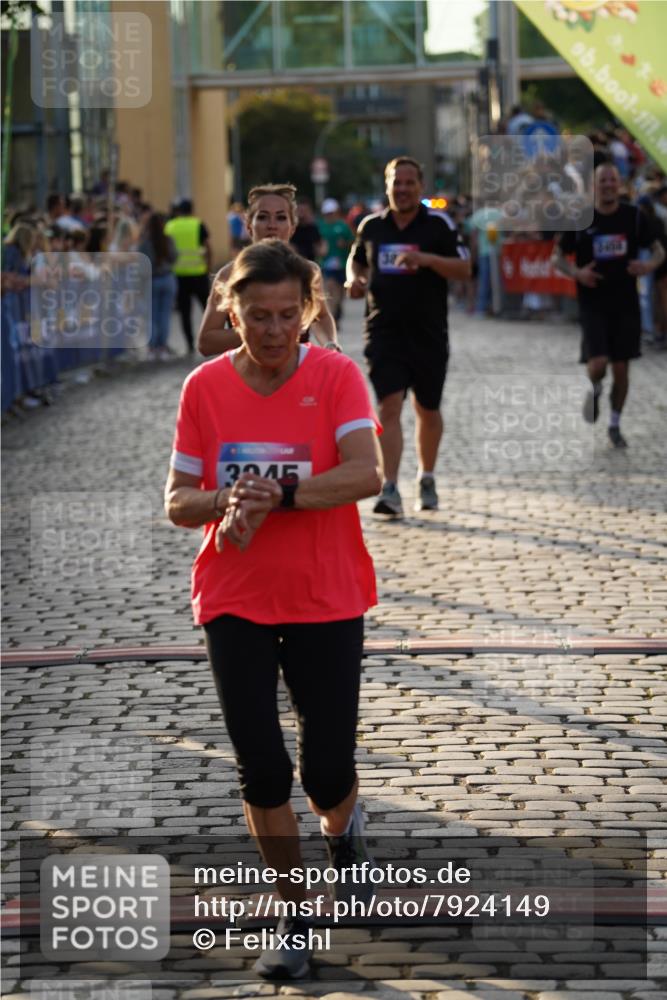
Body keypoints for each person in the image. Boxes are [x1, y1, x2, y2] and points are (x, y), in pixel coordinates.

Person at [165, 239, 381, 980]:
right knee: (262, 767)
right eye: (258, 315)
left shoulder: (337, 375)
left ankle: (343, 827)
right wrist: (225, 498)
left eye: (289, 315)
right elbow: (175, 502)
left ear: (308, 311)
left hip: (326, 593)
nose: (274, 329)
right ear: (232, 312)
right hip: (234, 595)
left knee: (325, 769)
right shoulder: (203, 388)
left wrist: (280, 495)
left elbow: (364, 471)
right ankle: (294, 918)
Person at [346, 155, 471, 516]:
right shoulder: (371, 226)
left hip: (428, 332)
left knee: (427, 409)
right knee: (388, 407)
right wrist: (354, 280)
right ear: (386, 187)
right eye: (395, 183)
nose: (402, 189)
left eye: (409, 183)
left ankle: (426, 476)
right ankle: (390, 488)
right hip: (383, 331)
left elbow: (464, 268)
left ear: (421, 187)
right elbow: (357, 261)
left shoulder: (438, 225)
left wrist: (427, 260)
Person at [553, 162, 665, 448]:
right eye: (602, 180)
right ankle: (595, 387)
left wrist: (648, 265)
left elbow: (659, 250)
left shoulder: (634, 217)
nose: (608, 185)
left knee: (622, 369)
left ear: (619, 184)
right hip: (593, 302)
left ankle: (615, 424)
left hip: (626, 302)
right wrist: (577, 273)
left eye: (612, 180)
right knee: (599, 363)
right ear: (594, 185)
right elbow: (557, 258)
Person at [197, 184, 339, 356]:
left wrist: (330, 344)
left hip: (296, 374)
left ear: (292, 227)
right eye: (263, 217)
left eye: (280, 218)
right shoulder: (229, 275)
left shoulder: (308, 271)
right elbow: (206, 342)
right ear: (249, 226)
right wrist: (256, 331)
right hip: (247, 374)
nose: (272, 225)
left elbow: (321, 317)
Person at [165, 198, 212, 353]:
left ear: (178, 210)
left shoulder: (170, 226)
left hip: (178, 275)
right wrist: (208, 267)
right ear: (192, 209)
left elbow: (166, 250)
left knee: (185, 312)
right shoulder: (198, 224)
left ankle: (190, 344)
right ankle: (213, 339)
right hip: (198, 273)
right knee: (209, 308)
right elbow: (207, 247)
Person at [138, 212, 178, 359]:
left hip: (151, 280)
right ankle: (162, 346)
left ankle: (152, 347)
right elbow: (175, 257)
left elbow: (141, 263)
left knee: (152, 316)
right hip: (167, 278)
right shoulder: (168, 240)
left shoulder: (145, 243)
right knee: (165, 315)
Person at [318, 198, 353, 323]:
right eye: (327, 213)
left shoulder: (343, 226)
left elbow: (352, 241)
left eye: (331, 213)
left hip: (342, 263)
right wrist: (320, 248)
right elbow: (317, 243)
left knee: (340, 292)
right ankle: (332, 318)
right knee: (330, 289)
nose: (329, 215)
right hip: (327, 263)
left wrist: (345, 244)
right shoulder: (320, 226)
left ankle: (337, 310)